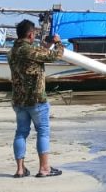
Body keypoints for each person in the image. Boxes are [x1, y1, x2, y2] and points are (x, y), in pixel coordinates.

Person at [8, 19, 64, 178]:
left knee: (20, 133)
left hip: (18, 100)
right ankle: (44, 168)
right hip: (36, 99)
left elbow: (35, 56)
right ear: (31, 34)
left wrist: (44, 48)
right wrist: (58, 43)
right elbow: (56, 56)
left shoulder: (11, 52)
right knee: (43, 132)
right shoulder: (31, 51)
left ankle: (20, 169)